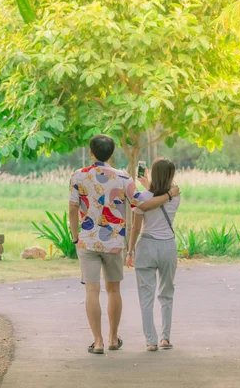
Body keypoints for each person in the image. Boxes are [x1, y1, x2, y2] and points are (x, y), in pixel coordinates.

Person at [68, 135, 180, 355]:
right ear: (111, 154)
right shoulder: (123, 177)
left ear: (91, 153)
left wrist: (75, 236)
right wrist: (168, 194)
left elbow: (72, 208)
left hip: (88, 240)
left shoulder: (78, 176)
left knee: (92, 290)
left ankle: (98, 342)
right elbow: (143, 204)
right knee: (113, 290)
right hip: (113, 242)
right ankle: (112, 338)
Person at [126, 158, 180, 352]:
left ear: (153, 173)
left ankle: (151, 341)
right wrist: (149, 184)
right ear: (171, 175)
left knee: (146, 297)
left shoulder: (142, 197)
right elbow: (159, 197)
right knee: (167, 293)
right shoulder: (175, 196)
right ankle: (166, 338)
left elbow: (135, 228)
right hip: (168, 247)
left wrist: (130, 251)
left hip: (146, 245)